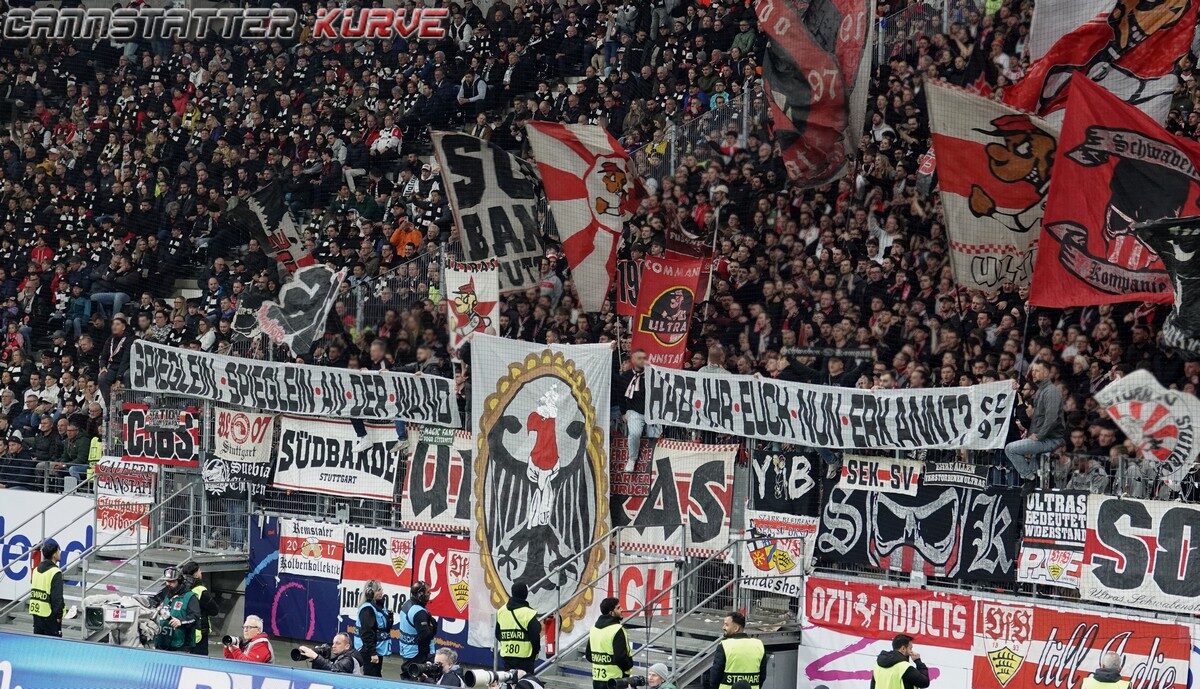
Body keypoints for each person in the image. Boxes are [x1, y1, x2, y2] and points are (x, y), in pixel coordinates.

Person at [1005, 361, 1065, 491]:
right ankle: (1031, 479)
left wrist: (1038, 435)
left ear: (1047, 373)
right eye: (1033, 370)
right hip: (1043, 437)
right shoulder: (1041, 391)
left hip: (1050, 439)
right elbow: (1036, 419)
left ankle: (1029, 478)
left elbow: (1052, 418)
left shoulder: (1051, 392)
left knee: (1010, 449)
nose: (1033, 373)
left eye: (1037, 371)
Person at [617, 350, 660, 471]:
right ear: (633, 360)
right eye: (639, 358)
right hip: (634, 411)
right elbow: (620, 395)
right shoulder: (625, 376)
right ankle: (632, 459)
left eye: (644, 358)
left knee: (655, 436)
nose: (642, 360)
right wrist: (623, 412)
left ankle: (654, 462)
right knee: (635, 433)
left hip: (652, 412)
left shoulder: (653, 374)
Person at [705, 612, 766, 689]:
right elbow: (762, 676)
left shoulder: (725, 645)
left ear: (736, 628)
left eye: (726, 625)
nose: (723, 627)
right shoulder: (758, 644)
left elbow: (715, 675)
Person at [585, 597, 633, 689]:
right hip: (616, 681)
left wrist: (601, 662)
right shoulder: (617, 629)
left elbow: (588, 655)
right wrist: (627, 669)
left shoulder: (594, 629)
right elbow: (620, 658)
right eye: (618, 608)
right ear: (611, 613)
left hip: (597, 681)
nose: (622, 609)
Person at [496, 581, 540, 675]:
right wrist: (534, 653)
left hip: (507, 657)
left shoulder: (501, 611)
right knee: (525, 684)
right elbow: (535, 637)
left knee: (510, 683)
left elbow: (497, 633)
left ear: (512, 593)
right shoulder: (529, 613)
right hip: (525, 659)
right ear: (526, 594)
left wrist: (508, 641)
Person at [155, 567, 201, 653]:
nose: (169, 584)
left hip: (181, 646)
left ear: (179, 581)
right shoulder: (165, 593)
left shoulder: (190, 597)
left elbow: (196, 617)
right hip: (162, 642)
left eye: (172, 581)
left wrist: (181, 621)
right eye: (167, 581)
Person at [354, 579, 393, 677]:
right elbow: (367, 633)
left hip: (376, 649)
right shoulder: (367, 609)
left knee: (376, 675)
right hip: (368, 651)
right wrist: (373, 653)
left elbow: (384, 628)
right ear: (371, 592)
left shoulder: (378, 606)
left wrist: (390, 618)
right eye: (378, 590)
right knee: (372, 676)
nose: (382, 592)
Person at [181, 561, 220, 655]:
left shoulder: (180, 588)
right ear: (195, 574)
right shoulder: (200, 590)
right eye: (199, 571)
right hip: (199, 634)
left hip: (182, 631)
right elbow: (215, 610)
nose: (201, 573)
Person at [29, 539, 64, 637]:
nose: (59, 553)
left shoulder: (36, 570)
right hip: (49, 615)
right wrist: (59, 616)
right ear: (54, 554)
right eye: (58, 551)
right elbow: (57, 597)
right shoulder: (55, 572)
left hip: (36, 614)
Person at [398, 581, 438, 665]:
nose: (429, 594)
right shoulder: (419, 612)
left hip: (406, 650)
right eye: (427, 592)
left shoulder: (407, 604)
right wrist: (434, 628)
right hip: (417, 655)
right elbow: (425, 636)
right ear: (420, 594)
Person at [299, 633, 365, 674]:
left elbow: (334, 670)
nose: (333, 646)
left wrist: (316, 656)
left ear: (347, 646)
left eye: (338, 643)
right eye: (333, 643)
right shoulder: (340, 657)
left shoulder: (350, 659)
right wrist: (322, 658)